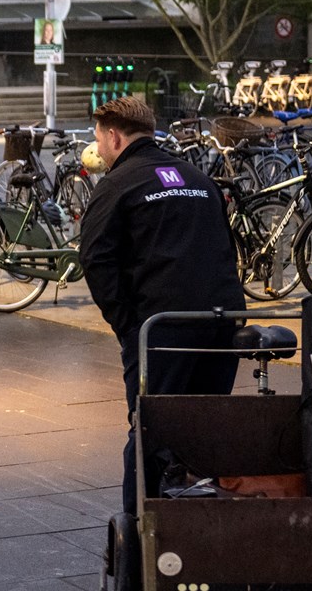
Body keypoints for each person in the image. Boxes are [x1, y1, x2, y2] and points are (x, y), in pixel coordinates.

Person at [79, 96, 246, 515]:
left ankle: (143, 534)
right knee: (204, 425)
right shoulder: (198, 178)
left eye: (99, 140)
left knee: (152, 430)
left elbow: (96, 259)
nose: (98, 149)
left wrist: (128, 325)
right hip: (221, 323)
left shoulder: (117, 185)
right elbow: (227, 248)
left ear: (114, 136)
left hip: (163, 327)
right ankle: (203, 531)